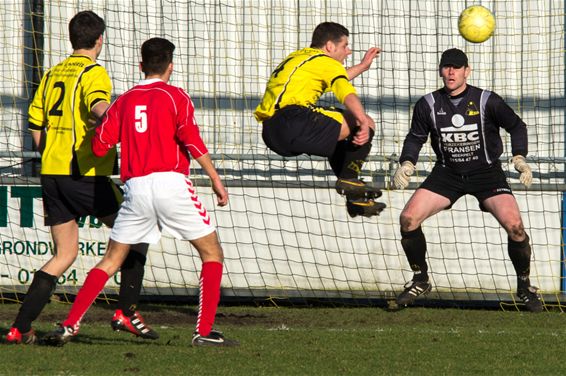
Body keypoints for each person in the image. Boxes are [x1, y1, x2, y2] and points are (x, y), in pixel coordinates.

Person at [42, 37, 238, 347]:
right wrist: (215, 177)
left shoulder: (123, 101)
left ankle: (68, 325)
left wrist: (97, 131)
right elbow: (191, 139)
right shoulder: (177, 97)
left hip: (135, 188)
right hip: (171, 184)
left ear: (140, 65)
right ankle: (204, 332)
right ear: (170, 67)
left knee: (110, 260)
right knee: (211, 253)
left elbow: (99, 145)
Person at [5, 11, 158, 345]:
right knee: (139, 233)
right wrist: (123, 121)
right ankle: (125, 311)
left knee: (64, 255)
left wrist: (51, 154)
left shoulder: (52, 73)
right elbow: (97, 107)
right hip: (85, 175)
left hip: (52, 173)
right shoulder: (94, 72)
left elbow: (35, 122)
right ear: (99, 40)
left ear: (71, 38)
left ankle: (20, 327)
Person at [392, 48, 542, 312]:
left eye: (457, 67)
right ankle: (420, 279)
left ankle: (524, 287)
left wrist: (520, 158)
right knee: (408, 219)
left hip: (486, 173)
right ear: (440, 70)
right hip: (447, 173)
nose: (451, 72)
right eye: (446, 67)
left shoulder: (486, 100)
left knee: (516, 227)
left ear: (466, 71)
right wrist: (407, 162)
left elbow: (517, 126)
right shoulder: (427, 104)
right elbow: (416, 137)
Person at [254, 22, 386, 218]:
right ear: (330, 47)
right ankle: (349, 179)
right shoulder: (326, 62)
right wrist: (364, 123)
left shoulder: (300, 57)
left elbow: (333, 78)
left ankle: (354, 196)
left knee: (339, 133)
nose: (348, 52)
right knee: (362, 121)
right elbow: (345, 93)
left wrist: (362, 66)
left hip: (272, 131)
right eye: (345, 46)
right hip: (293, 121)